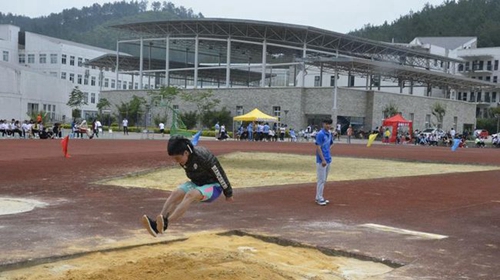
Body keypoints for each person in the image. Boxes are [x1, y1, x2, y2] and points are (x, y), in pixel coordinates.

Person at [142, 136, 234, 237]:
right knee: (175, 193)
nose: (176, 161)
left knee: (190, 194)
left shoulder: (204, 157)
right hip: (197, 183)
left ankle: (166, 223)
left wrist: (228, 193)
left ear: (186, 153)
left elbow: (219, 173)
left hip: (213, 186)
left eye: (177, 158)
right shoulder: (185, 155)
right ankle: (157, 225)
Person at [315, 119, 334, 206]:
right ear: (323, 124)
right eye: (326, 124)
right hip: (322, 160)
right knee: (321, 180)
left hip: (328, 159)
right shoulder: (320, 134)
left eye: (329, 124)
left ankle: (319, 196)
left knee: (324, 180)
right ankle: (319, 197)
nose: (328, 126)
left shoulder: (329, 134)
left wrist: (327, 153)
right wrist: (322, 159)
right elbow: (318, 147)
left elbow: (331, 144)